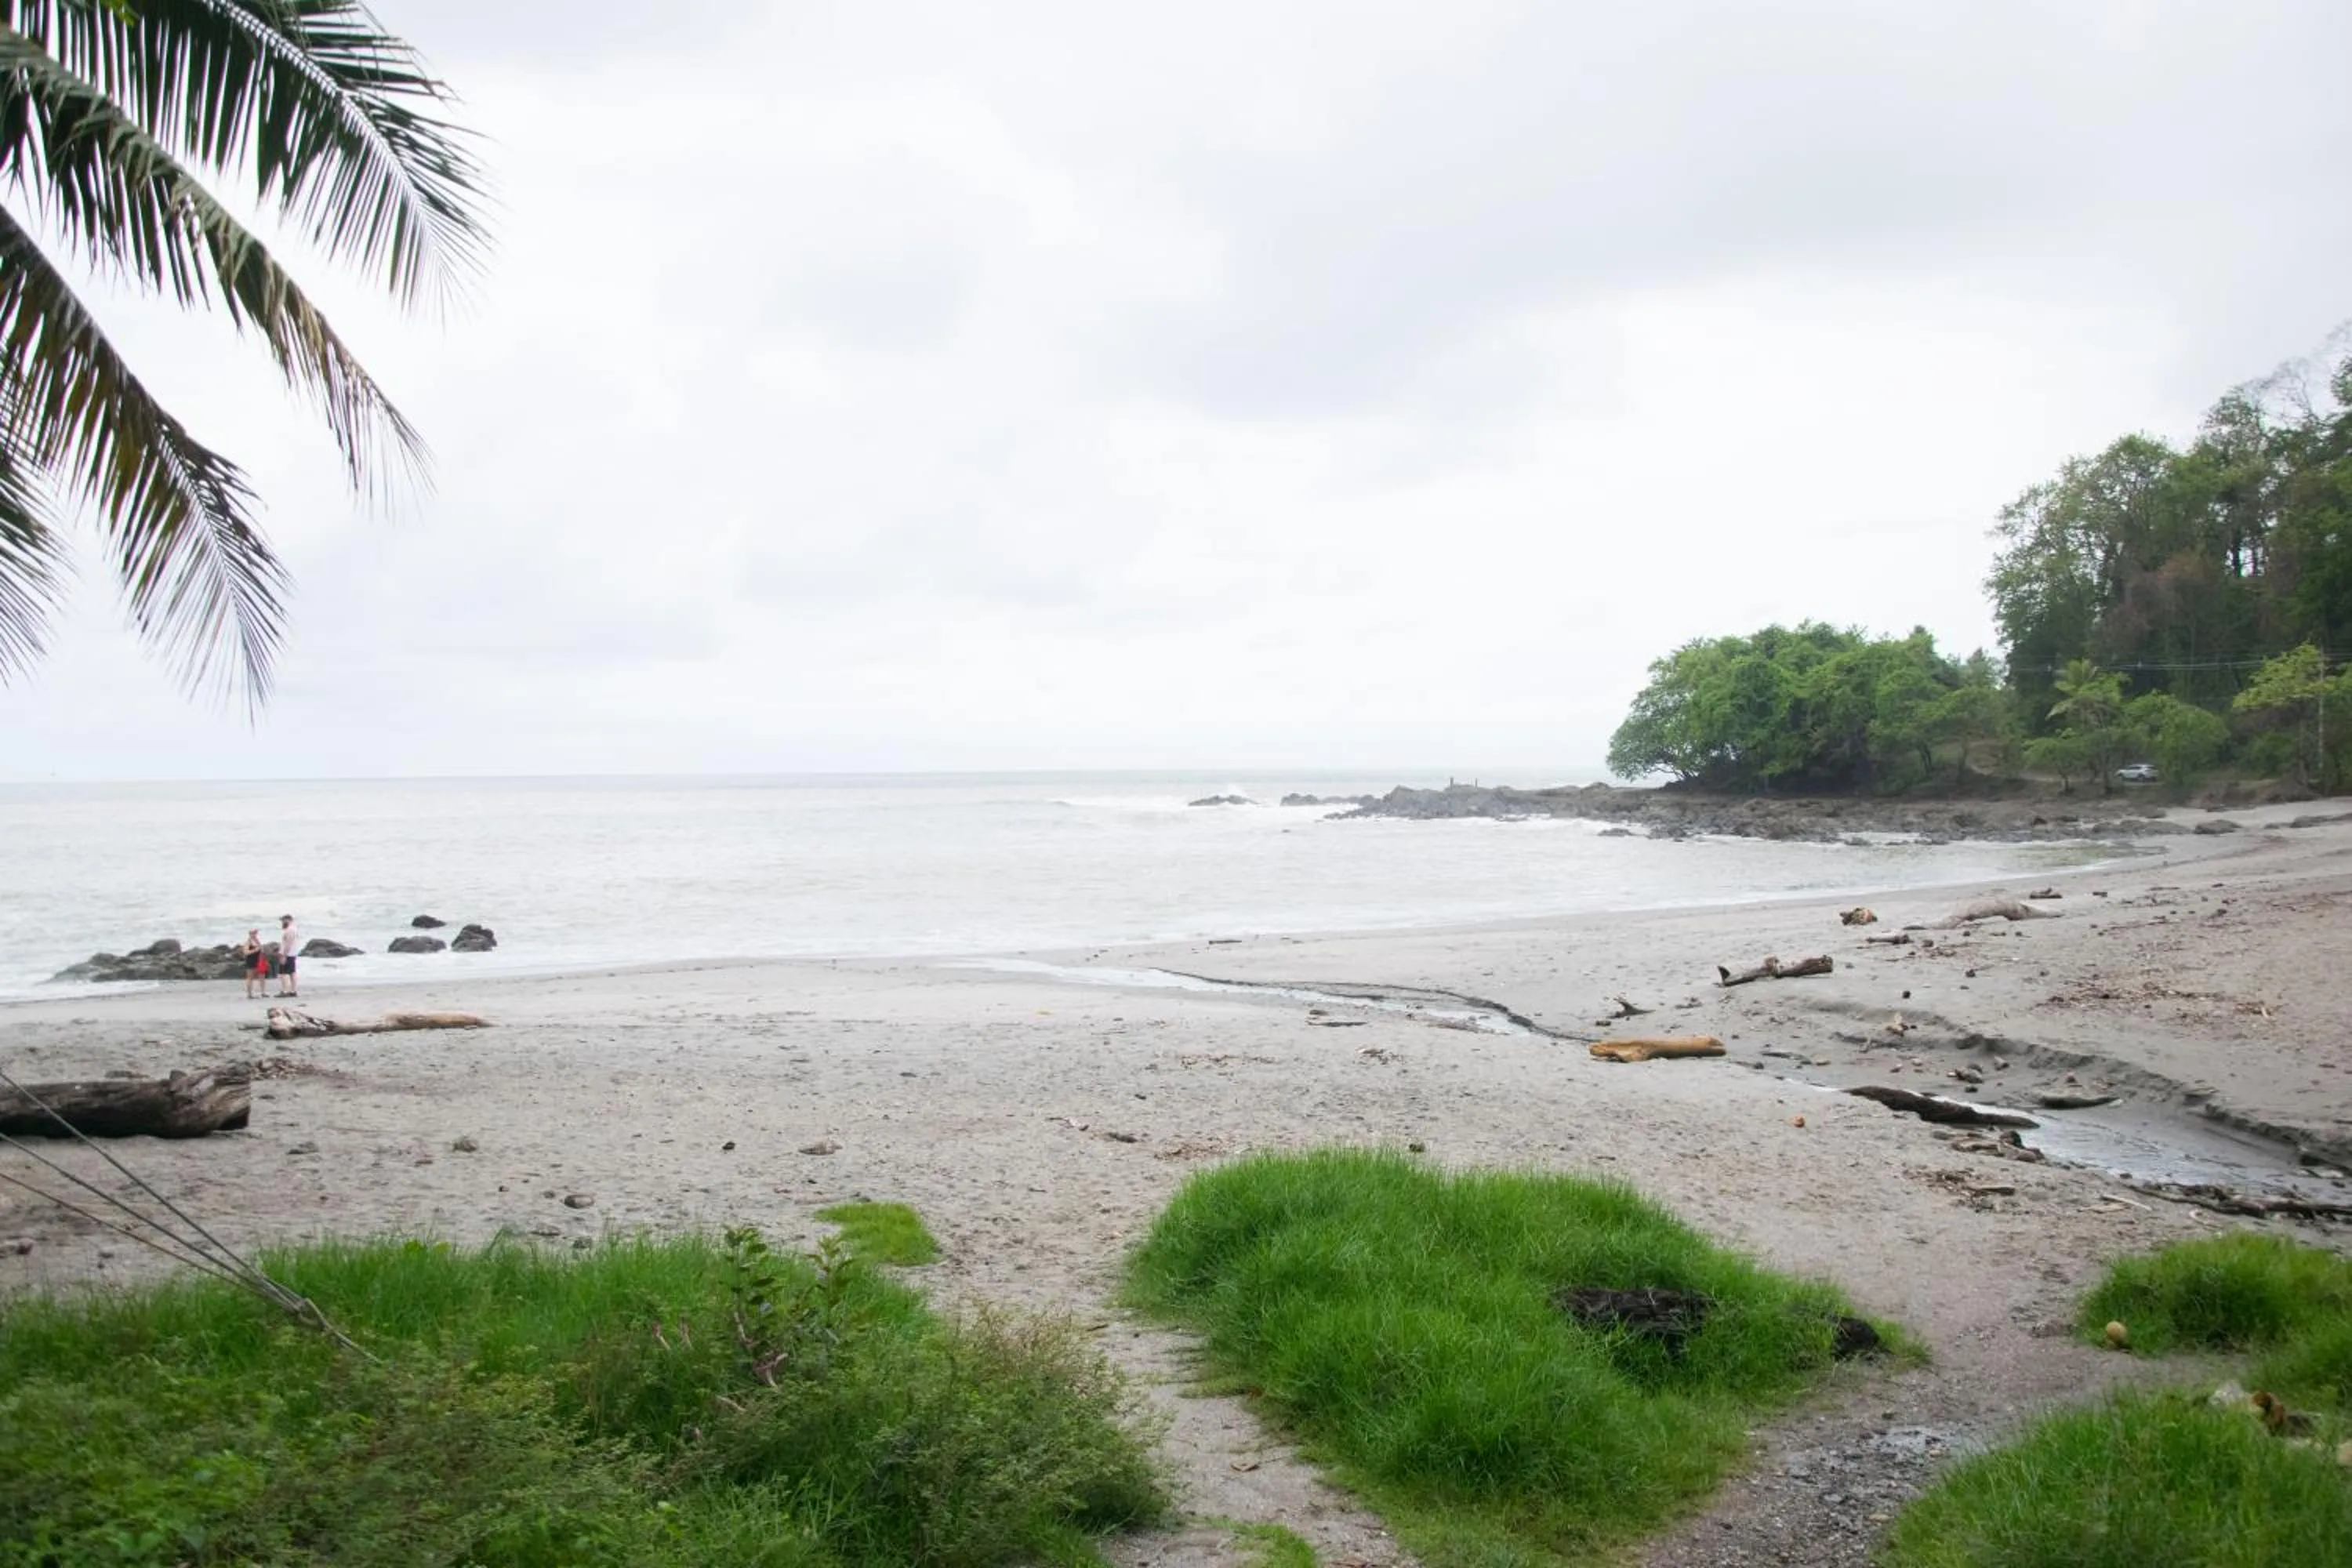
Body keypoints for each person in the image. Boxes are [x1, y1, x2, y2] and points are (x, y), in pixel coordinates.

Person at [239, 927, 268, 999]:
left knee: (262, 976)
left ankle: (263, 992)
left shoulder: (257, 941)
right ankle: (249, 994)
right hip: (251, 961)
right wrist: (255, 950)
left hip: (259, 961)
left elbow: (262, 950)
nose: (254, 934)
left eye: (255, 933)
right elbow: (246, 952)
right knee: (250, 977)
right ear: (250, 934)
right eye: (253, 933)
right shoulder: (248, 942)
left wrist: (261, 951)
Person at [276, 913, 299, 998]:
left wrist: (284, 955)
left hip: (288, 954)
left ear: (288, 920)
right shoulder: (293, 929)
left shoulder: (290, 930)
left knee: (283, 973)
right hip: (292, 953)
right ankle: (293, 990)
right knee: (292, 973)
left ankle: (285, 990)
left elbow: (288, 943)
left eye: (283, 920)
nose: (282, 922)